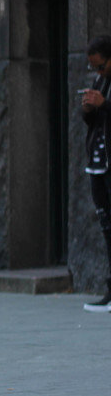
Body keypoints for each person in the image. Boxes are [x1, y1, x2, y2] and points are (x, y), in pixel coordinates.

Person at [81, 36, 111, 311]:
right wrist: (88, 109)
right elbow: (94, 122)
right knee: (106, 227)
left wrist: (104, 105)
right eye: (94, 68)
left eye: (101, 67)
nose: (97, 73)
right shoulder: (100, 82)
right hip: (98, 163)